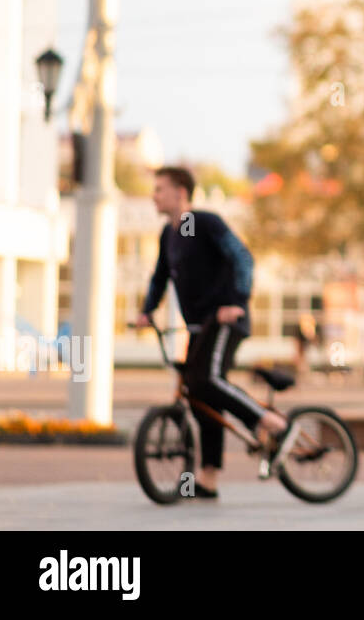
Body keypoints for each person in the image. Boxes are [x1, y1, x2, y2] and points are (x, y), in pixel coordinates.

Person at [134, 166, 288, 500]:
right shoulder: (170, 234)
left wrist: (236, 302)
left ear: (180, 192)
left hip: (225, 319)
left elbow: (242, 258)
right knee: (199, 396)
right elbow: (160, 278)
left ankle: (266, 420)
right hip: (201, 327)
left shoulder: (200, 223)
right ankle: (207, 479)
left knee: (206, 380)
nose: (154, 195)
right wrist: (147, 311)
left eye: (160, 189)